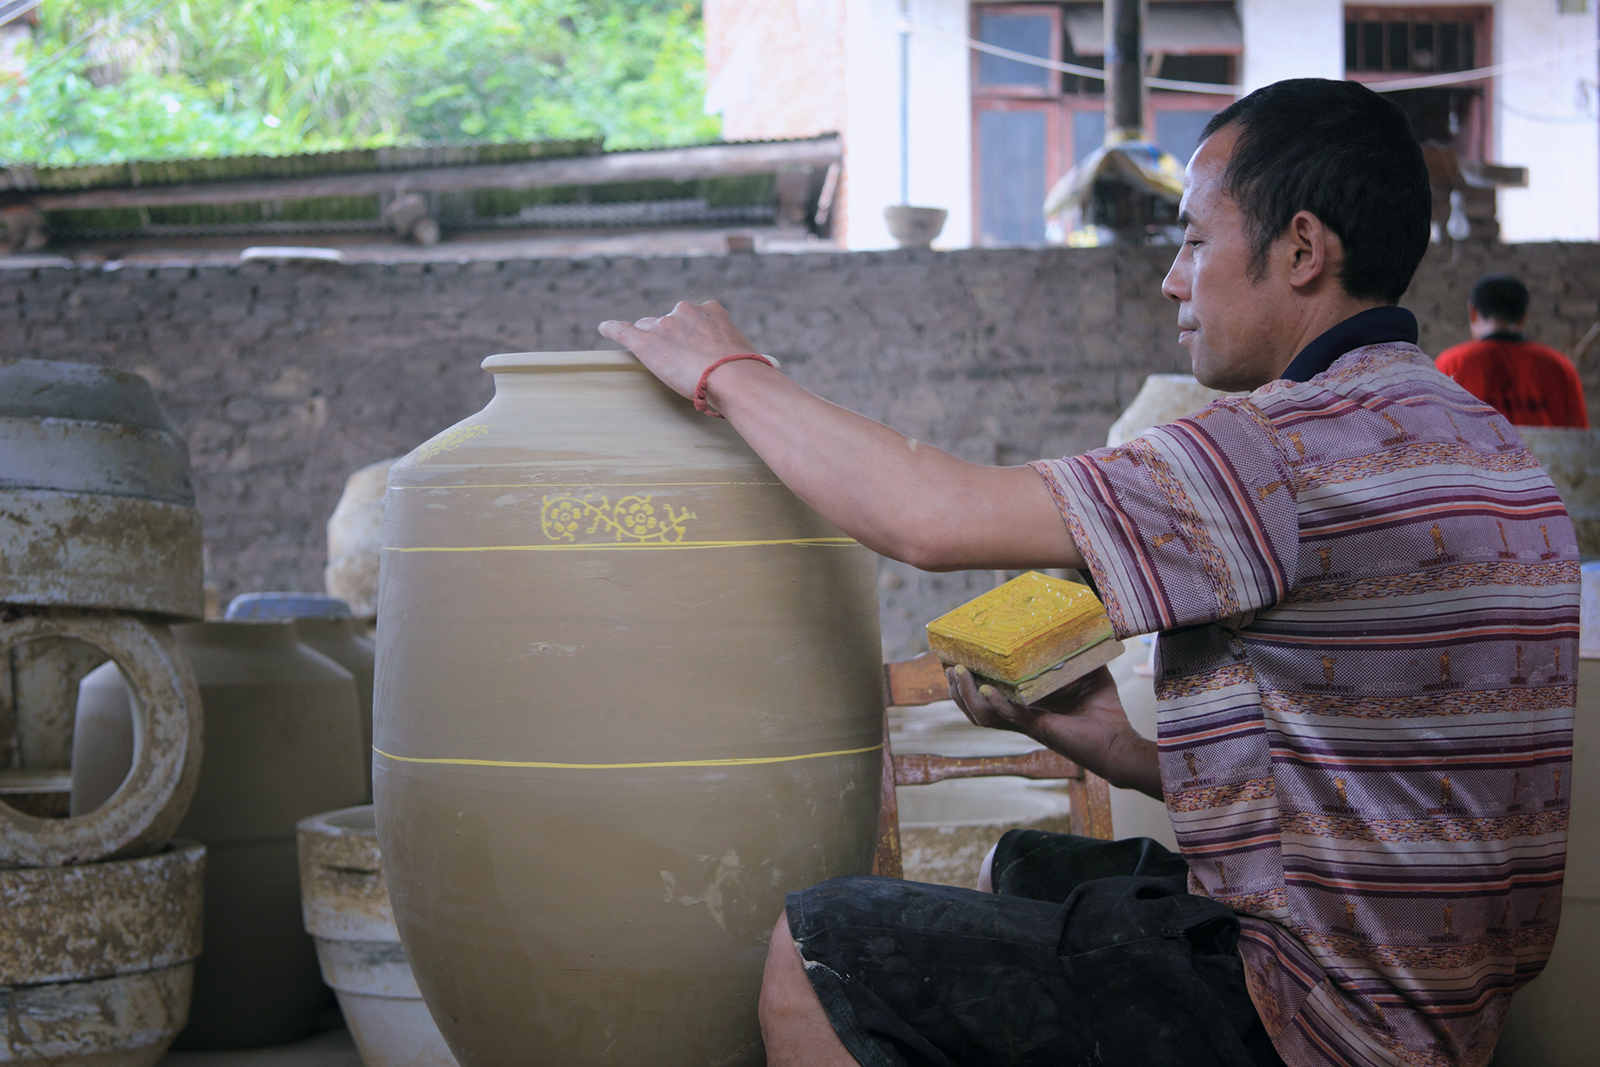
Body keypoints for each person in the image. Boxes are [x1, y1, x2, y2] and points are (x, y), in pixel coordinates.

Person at [600, 79, 1578, 1067]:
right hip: (1437, 1010)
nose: (1171, 281)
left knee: (820, 944)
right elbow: (1375, 793)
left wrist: (728, 371)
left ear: (1300, 250)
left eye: (1194, 240)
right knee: (1027, 863)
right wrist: (1117, 747)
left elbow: (927, 516)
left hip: (1314, 1022)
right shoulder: (1489, 447)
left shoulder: (1278, 447)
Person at [1435, 273, 1590, 427]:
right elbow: (1579, 437)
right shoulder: (1560, 368)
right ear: (1523, 317)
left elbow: (1431, 432)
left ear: (1473, 312)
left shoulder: (1451, 364)